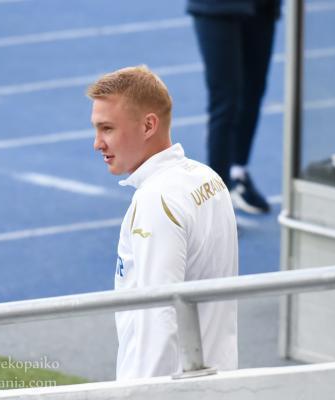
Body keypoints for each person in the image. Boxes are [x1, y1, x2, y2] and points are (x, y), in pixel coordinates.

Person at [87, 66, 238, 380]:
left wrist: (142, 393)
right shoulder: (207, 178)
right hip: (219, 379)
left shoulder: (157, 201)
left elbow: (158, 317)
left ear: (148, 125)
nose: (97, 143)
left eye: (107, 129)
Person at [188, 0, 281, 214]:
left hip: (261, 6)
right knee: (225, 100)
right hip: (217, 6)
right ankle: (216, 199)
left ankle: (237, 173)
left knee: (253, 91)